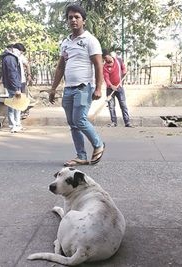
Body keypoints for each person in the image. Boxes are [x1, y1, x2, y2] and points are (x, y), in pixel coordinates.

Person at [49, 4, 105, 167]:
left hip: (83, 87)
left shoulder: (90, 40)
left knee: (79, 120)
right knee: (73, 124)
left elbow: (98, 65)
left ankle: (98, 144)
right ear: (67, 20)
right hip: (69, 88)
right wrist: (53, 88)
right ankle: (81, 155)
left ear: (83, 21)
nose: (73, 20)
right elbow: (60, 67)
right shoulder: (66, 42)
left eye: (77, 17)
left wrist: (99, 87)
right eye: (70, 17)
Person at [102, 49, 133, 127]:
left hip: (119, 87)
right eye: (104, 59)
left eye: (106, 57)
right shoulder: (105, 67)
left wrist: (124, 71)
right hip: (110, 89)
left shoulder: (118, 61)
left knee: (123, 105)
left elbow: (123, 68)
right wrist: (111, 86)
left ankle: (127, 122)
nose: (105, 60)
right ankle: (114, 122)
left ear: (109, 55)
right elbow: (106, 78)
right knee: (111, 106)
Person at [0, 44, 24, 133]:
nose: (20, 54)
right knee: (14, 106)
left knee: (16, 105)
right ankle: (14, 125)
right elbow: (12, 73)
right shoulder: (10, 58)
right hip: (13, 85)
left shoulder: (8, 57)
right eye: (20, 52)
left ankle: (16, 124)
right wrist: (17, 88)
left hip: (12, 84)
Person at [13, 43, 34, 118]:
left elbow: (27, 65)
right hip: (15, 81)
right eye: (21, 51)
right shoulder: (12, 56)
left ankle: (24, 111)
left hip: (22, 80)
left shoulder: (21, 57)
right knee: (17, 97)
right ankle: (18, 113)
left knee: (23, 96)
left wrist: (29, 75)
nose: (21, 53)